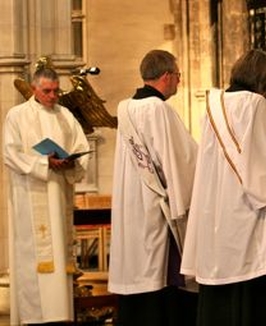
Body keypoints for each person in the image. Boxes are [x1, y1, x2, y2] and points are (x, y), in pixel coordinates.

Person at [180, 49, 266, 325]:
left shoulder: (212, 105)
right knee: (252, 274)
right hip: (247, 212)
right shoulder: (256, 104)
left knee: (221, 282)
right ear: (264, 79)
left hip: (214, 209)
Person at [108, 49, 198, 325]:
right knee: (160, 275)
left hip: (130, 205)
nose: (179, 82)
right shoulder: (158, 109)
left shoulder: (126, 108)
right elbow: (180, 160)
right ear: (166, 76)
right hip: (155, 209)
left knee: (137, 270)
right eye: (178, 76)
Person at [4, 67, 90, 324]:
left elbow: (81, 146)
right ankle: (35, 316)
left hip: (60, 194)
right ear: (33, 89)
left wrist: (71, 161)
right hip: (31, 196)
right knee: (34, 256)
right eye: (47, 91)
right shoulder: (17, 116)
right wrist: (43, 162)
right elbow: (10, 153)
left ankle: (60, 315)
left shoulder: (65, 115)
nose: (53, 96)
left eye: (56, 91)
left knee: (60, 254)